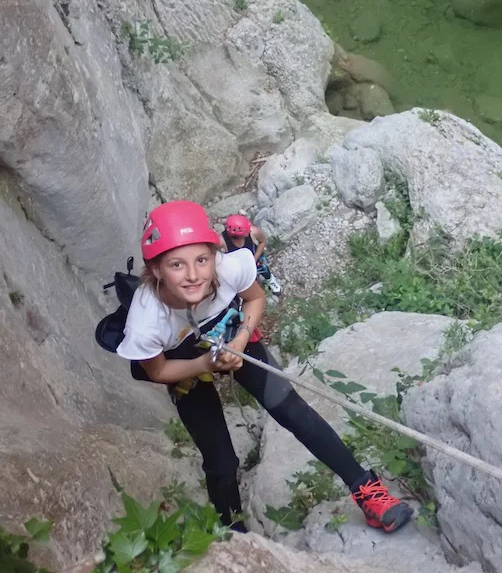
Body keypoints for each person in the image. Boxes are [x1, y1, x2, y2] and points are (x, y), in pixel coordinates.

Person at [117, 200, 413, 534]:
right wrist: (204, 363)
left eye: (202, 259)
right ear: (156, 270)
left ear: (214, 256)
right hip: (184, 361)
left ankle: (366, 491)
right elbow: (157, 371)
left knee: (293, 410)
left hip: (230, 334)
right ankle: (236, 539)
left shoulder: (228, 269)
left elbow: (255, 299)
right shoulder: (146, 320)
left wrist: (241, 341)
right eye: (176, 265)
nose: (193, 275)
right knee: (222, 462)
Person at [221, 214, 281, 296]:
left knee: (263, 267)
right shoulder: (222, 241)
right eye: (247, 230)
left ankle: (269, 279)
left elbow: (262, 242)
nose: (249, 230)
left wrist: (255, 258)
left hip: (254, 257)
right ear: (238, 235)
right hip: (238, 264)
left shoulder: (253, 232)